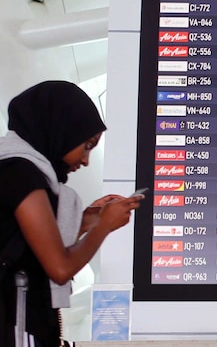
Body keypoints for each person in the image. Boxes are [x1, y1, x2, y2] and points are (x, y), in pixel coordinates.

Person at [0, 81, 142, 346]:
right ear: (59, 129)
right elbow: (60, 268)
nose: (86, 160)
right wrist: (103, 227)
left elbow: (28, 248)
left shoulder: (16, 169)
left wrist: (92, 219)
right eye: (86, 145)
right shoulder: (20, 174)